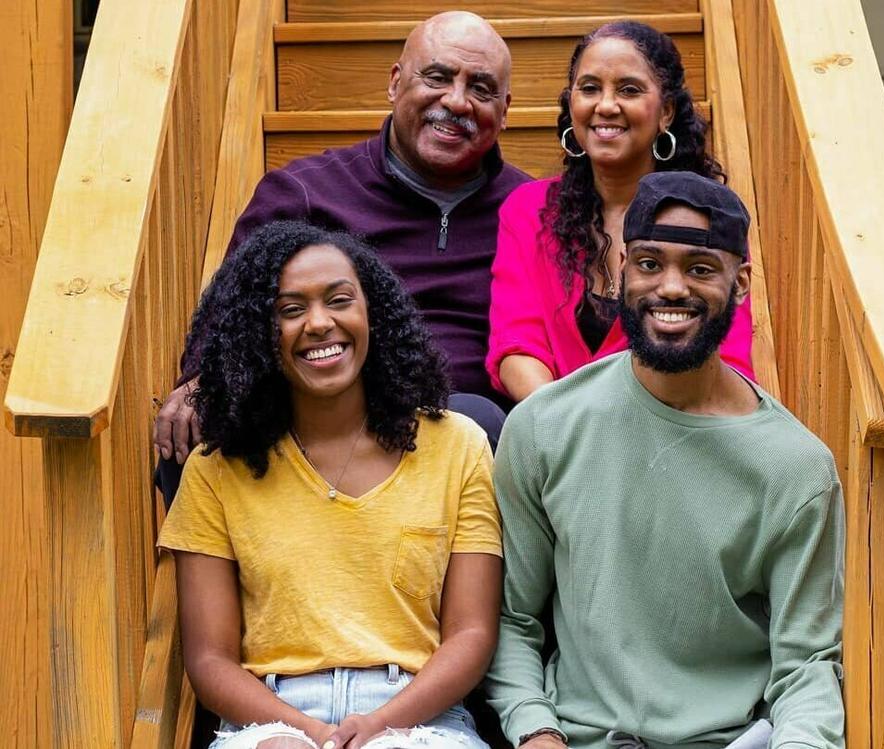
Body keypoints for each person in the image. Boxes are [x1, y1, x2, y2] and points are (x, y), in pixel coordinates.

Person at [486, 172, 845, 749]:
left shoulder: (795, 468)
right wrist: (535, 731)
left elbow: (806, 667)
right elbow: (511, 620)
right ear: (623, 266)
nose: (670, 288)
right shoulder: (545, 427)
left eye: (700, 268)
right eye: (650, 263)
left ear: (741, 282)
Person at [158, 221, 503, 749]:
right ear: (259, 335)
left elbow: (473, 634)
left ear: (374, 315)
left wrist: (378, 726)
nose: (319, 323)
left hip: (420, 715)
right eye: (290, 310)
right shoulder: (216, 468)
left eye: (339, 300)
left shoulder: (457, 446)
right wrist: (309, 733)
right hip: (269, 718)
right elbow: (209, 660)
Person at [154, 11, 531, 480]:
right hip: (321, 410)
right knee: (196, 427)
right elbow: (234, 309)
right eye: (437, 77)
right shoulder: (306, 193)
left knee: (483, 421)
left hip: (466, 435)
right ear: (395, 83)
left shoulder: (530, 211)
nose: (456, 101)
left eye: (481, 88)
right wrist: (198, 382)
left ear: (506, 109)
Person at [486, 21, 753, 402]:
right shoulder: (529, 210)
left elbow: (728, 358)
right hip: (552, 432)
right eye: (590, 88)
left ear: (666, 112)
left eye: (628, 90)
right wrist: (571, 432)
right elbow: (518, 345)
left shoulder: (708, 217)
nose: (606, 106)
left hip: (674, 434)